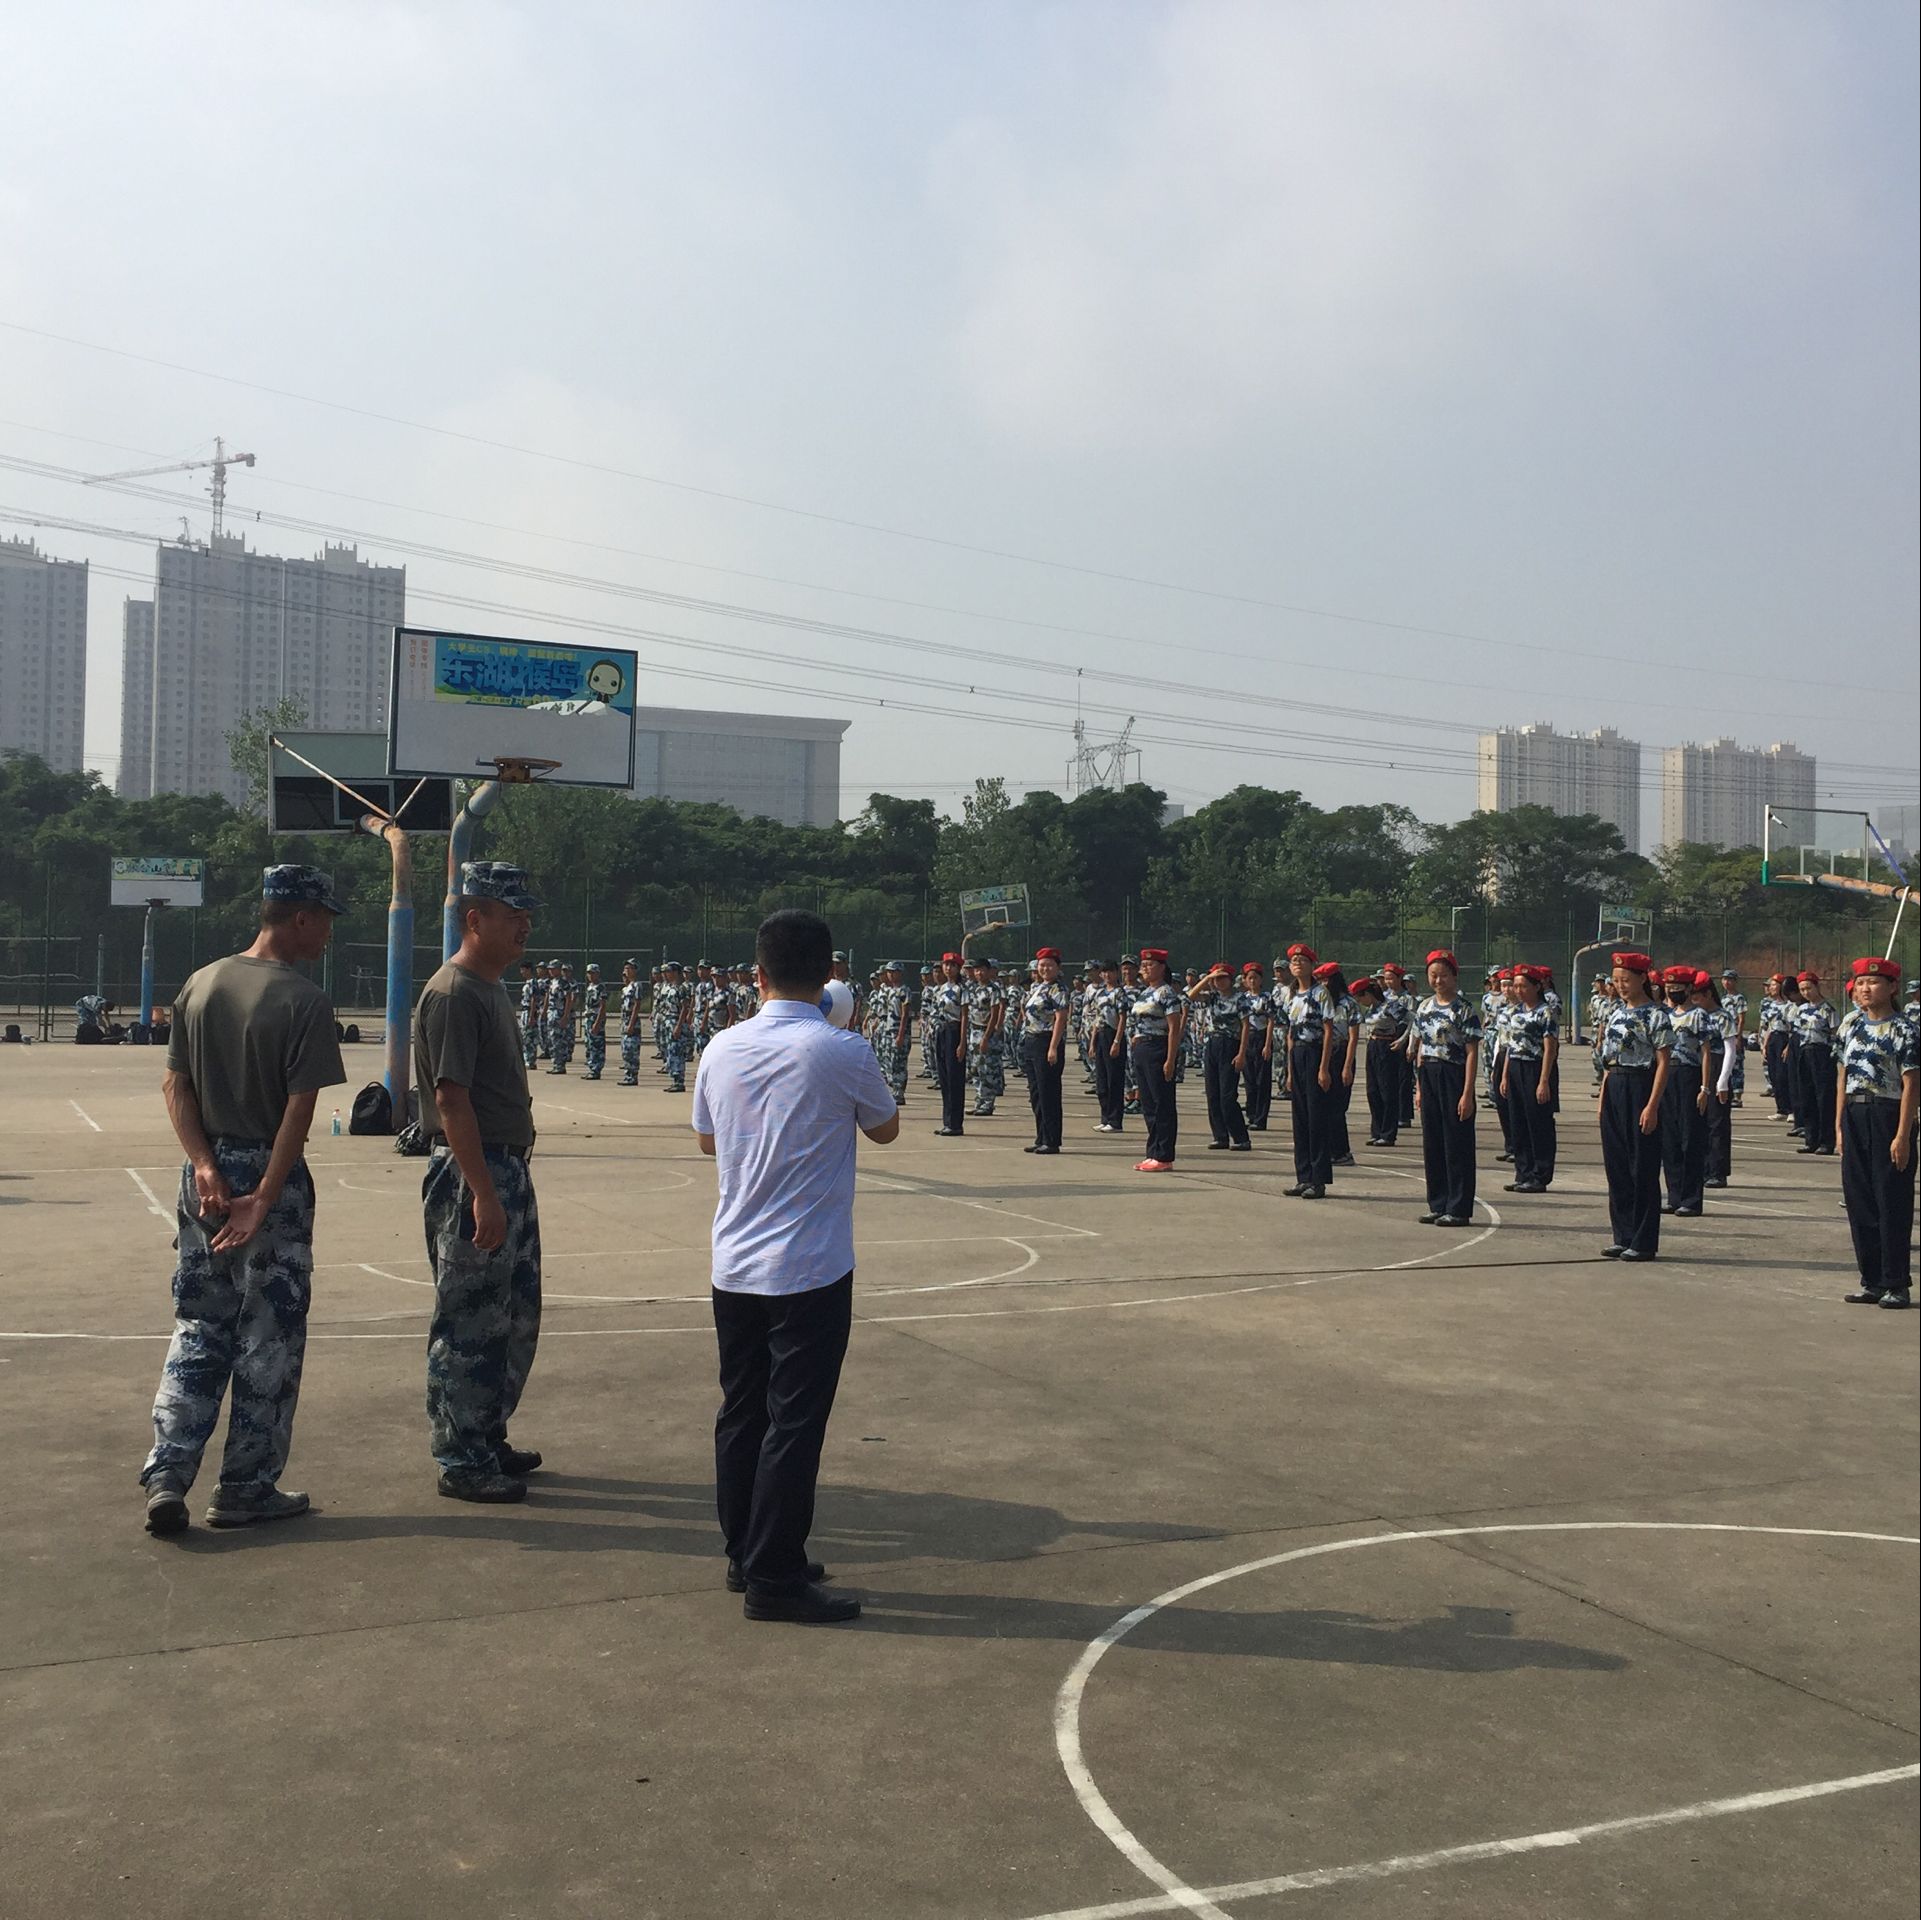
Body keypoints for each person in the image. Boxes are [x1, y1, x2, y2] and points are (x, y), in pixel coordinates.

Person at [693, 909, 900, 1623]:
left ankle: (746, 1551)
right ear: (829, 973)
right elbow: (885, 1127)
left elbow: (706, 1140)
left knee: (741, 1410)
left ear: (758, 974)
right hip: (809, 1265)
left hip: (734, 1262)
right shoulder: (842, 1048)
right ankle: (775, 1576)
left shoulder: (721, 1046)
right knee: (794, 1422)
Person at [139, 864, 348, 1536]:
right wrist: (264, 1194)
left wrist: (204, 1162)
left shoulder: (200, 984)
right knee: (269, 1335)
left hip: (204, 1176)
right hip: (265, 1174)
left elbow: (175, 1086)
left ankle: (168, 1473)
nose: (327, 934)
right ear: (300, 917)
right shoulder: (303, 1001)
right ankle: (245, 1486)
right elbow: (298, 1111)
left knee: (200, 1325)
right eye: (324, 920)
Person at [415, 862, 546, 1504]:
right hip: (475, 1171)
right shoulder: (454, 994)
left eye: (527, 916)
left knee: (511, 1315)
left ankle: (486, 1434)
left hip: (503, 1167)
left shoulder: (488, 988)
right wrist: (483, 1193)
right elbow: (451, 1098)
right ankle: (462, 1457)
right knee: (469, 1319)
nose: (524, 926)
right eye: (511, 915)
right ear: (474, 919)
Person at [1837, 956, 1918, 1308]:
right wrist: (1839, 1125)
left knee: (1891, 1200)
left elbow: (1912, 1083)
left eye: (1873, 982)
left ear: (1892, 987)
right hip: (1855, 1113)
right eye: (1860, 983)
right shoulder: (1851, 1026)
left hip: (1888, 1113)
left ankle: (1895, 1282)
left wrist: (1903, 1134)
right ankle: (1870, 1280)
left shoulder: (1905, 1029)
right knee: (1860, 1201)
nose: (1865, 988)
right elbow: (1842, 1076)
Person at [1595, 951, 1671, 1262]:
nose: (1621, 985)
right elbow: (1608, 1061)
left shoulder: (1656, 1015)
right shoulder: (1615, 1013)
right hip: (1615, 1085)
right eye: (1616, 980)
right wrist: (1603, 1098)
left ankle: (1642, 1240)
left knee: (1642, 1167)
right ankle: (1622, 1235)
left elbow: (1663, 1062)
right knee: (1617, 1166)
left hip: (1640, 1085)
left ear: (1642, 978)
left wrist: (1652, 1105)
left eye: (1626, 979)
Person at [1410, 949, 1480, 1226]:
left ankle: (1458, 1207)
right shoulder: (1424, 1007)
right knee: (1433, 1142)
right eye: (1433, 975)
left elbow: (1472, 1052)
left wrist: (1467, 1093)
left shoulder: (1463, 1009)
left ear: (1454, 976)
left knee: (1456, 1142)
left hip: (1454, 1074)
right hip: (1429, 1073)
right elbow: (1420, 1048)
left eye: (1443, 975)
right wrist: (1419, 1087)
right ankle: (1437, 1203)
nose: (1438, 981)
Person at [1281, 944, 1335, 1199]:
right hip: (1297, 1054)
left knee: (1316, 1119)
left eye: (1302, 960)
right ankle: (1303, 1176)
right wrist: (1290, 1072)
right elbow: (1290, 1034)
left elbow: (1328, 1031)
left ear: (1312, 965)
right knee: (1300, 1119)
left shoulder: (1320, 993)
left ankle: (1318, 1179)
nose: (1297, 964)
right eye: (1294, 960)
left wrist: (1324, 1068)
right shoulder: (1292, 995)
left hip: (1314, 1053)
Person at [1500, 965, 1559, 1192]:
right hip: (1515, 1066)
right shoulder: (1515, 1012)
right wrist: (1505, 1076)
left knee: (1538, 1122)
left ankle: (1539, 1175)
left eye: (1523, 986)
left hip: (1536, 1068)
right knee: (1518, 1122)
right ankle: (1523, 1172)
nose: (1519, 990)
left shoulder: (1546, 1012)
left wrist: (1544, 1081)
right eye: (1516, 986)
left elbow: (1550, 1048)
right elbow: (1510, 1045)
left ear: (1536, 987)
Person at [1659, 966, 1711, 1217]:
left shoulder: (1699, 1015)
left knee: (1690, 1139)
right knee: (1669, 1139)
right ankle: (1674, 1195)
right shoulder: (1665, 1015)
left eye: (1677, 988)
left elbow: (1706, 1052)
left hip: (1690, 1076)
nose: (1673, 992)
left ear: (1689, 989)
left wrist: (1705, 1087)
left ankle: (1691, 1199)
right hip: (1667, 1075)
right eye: (1669, 989)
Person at [1186, 962, 1252, 1152]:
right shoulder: (1212, 997)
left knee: (1227, 1095)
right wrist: (1207, 978)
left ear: (1230, 979)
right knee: (1212, 1094)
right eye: (1216, 979)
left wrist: (1242, 1053)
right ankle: (1220, 1136)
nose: (1219, 982)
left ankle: (1241, 1137)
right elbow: (1190, 997)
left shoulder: (1239, 999)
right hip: (1212, 1044)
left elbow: (1246, 1026)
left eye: (1222, 978)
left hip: (1230, 1044)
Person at [1130, 948, 1183, 1171]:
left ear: (1162, 968)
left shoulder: (1166, 993)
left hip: (1158, 1048)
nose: (1145, 968)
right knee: (1149, 1104)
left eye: (1150, 965)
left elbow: (1174, 1028)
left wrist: (1170, 1059)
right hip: (1142, 1048)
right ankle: (1152, 1151)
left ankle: (1164, 1155)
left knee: (1162, 1103)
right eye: (1143, 965)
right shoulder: (1144, 993)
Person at [1020, 949, 1072, 1152]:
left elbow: (1061, 1018)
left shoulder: (1058, 989)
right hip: (1031, 1041)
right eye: (1042, 965)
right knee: (1036, 1093)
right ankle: (1041, 1136)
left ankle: (1051, 1140)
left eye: (1050, 965)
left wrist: (1053, 1047)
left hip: (1047, 1040)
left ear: (1058, 967)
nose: (1045, 969)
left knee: (1048, 1093)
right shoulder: (1037, 987)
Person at [1693, 972, 1736, 1188]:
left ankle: (1718, 1171)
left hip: (1717, 1066)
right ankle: (1701, 1167)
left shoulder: (1723, 1016)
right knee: (1699, 1121)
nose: (1694, 1001)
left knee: (1717, 1123)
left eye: (1697, 996)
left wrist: (1723, 1081)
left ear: (1708, 994)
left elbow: (1730, 1049)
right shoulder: (1695, 1015)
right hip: (1697, 1066)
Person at [1792, 971, 1839, 1152]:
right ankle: (1811, 1139)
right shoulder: (1801, 1010)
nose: (1806, 992)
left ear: (1817, 987)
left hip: (1822, 1053)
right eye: (1802, 989)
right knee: (1807, 1096)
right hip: (1805, 1052)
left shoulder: (1828, 1009)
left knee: (1824, 1098)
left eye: (1809, 988)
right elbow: (1797, 1032)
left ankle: (1826, 1141)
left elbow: (1835, 1034)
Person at [928, 951, 970, 1136]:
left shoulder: (963, 988)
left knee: (955, 1079)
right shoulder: (940, 989)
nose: (948, 968)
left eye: (952, 965)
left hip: (955, 1030)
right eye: (946, 965)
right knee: (944, 1077)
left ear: (958, 968)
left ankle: (955, 1123)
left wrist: (962, 1042)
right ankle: (947, 1121)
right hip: (942, 1030)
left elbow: (965, 1015)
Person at [1088, 960, 1128, 1133]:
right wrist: (1092, 1042)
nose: (1107, 975)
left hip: (1113, 1034)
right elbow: (1097, 1018)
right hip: (1101, 1035)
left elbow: (1123, 1018)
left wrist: (1117, 1041)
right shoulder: (1100, 993)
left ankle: (1115, 1120)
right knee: (1102, 1081)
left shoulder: (1119, 993)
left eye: (1110, 971)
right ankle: (1105, 1117)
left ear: (1116, 973)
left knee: (1114, 1080)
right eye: (1104, 972)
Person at [966, 955, 1007, 1117]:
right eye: (976, 970)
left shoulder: (993, 990)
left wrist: (986, 1037)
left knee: (987, 1069)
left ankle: (988, 1103)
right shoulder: (973, 989)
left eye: (982, 970)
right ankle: (979, 1101)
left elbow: (994, 1015)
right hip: (974, 1031)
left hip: (986, 1032)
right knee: (975, 1069)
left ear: (989, 971)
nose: (979, 973)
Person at [1238, 962, 1276, 1130]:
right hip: (1248, 1039)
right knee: (1249, 1080)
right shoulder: (1243, 998)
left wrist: (1267, 1045)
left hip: (1262, 1037)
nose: (1252, 981)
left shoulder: (1266, 997)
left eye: (1255, 978)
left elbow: (1271, 1021)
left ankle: (1261, 1118)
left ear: (1261, 979)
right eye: (1249, 978)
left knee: (1262, 1081)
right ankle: (1251, 1114)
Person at [580, 962, 608, 1080]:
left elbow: (602, 1006)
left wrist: (598, 1022)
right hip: (589, 1017)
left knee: (597, 1045)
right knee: (589, 1044)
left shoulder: (600, 987)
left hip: (596, 1017)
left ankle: (596, 1069)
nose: (590, 975)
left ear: (598, 974)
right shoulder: (590, 986)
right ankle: (591, 1067)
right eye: (589, 973)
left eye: (593, 973)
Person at [618, 959, 643, 1085]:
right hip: (625, 1020)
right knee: (625, 1050)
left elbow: (637, 1005)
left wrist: (632, 1024)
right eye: (626, 968)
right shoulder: (625, 988)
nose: (627, 971)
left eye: (630, 968)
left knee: (632, 1050)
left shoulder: (637, 985)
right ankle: (628, 1074)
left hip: (632, 1021)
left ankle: (632, 1076)